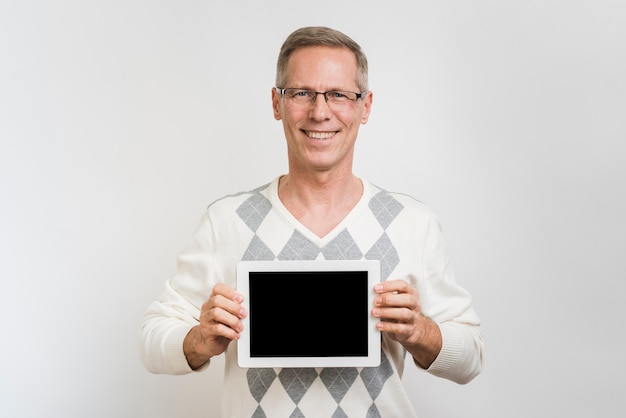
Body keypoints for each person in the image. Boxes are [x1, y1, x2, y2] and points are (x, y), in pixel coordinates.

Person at [140, 26, 483, 417]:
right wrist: (199, 340)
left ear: (365, 106)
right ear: (277, 103)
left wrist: (419, 331)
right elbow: (152, 342)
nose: (320, 112)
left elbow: (471, 357)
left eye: (338, 94)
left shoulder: (411, 223)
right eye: (302, 93)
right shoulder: (226, 222)